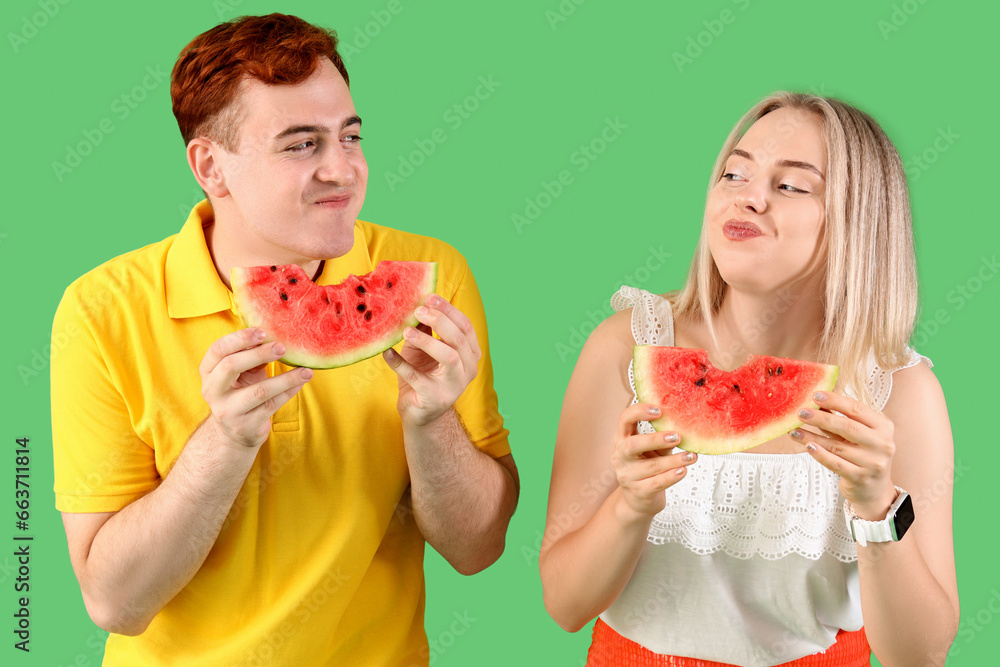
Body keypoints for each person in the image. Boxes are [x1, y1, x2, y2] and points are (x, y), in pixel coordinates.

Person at [51, 13, 517, 666]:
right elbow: (114, 602)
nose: (343, 170)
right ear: (210, 166)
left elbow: (478, 549)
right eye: (302, 145)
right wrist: (224, 443)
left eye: (350, 137)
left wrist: (432, 418)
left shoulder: (433, 276)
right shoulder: (101, 311)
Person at [540, 92, 958, 666]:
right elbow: (563, 604)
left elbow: (920, 656)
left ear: (859, 221)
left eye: (791, 185)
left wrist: (875, 504)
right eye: (735, 173)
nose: (749, 197)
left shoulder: (898, 392)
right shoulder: (629, 347)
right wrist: (631, 506)